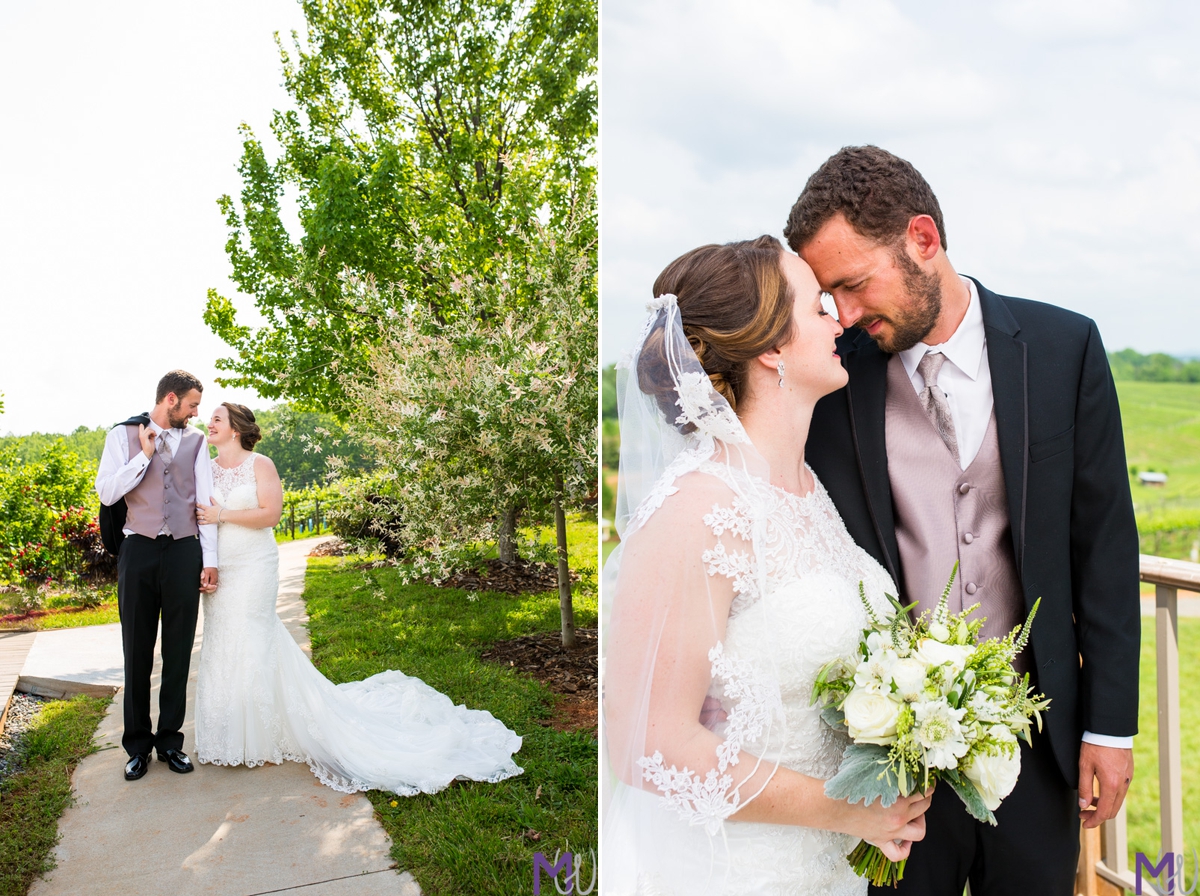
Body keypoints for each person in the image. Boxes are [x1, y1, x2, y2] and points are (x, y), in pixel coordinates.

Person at [785, 145, 1140, 895]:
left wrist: (1109, 727)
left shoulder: (1062, 348)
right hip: (884, 759)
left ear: (923, 239)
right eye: (828, 297)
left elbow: (1103, 547)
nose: (845, 315)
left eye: (852, 285)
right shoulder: (833, 376)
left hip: (1037, 749)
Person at [602, 236, 932, 895]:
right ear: (772, 349)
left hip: (825, 868)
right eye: (817, 307)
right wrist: (844, 808)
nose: (840, 316)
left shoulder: (806, 489)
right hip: (731, 870)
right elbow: (646, 743)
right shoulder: (698, 510)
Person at [192, 401, 524, 795]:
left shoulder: (260, 464)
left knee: (252, 636)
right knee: (224, 639)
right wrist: (205, 561)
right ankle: (228, 733)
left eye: (216, 418)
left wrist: (222, 515)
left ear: (235, 428)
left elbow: (271, 515)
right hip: (221, 566)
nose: (208, 423)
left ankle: (261, 736)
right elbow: (197, 521)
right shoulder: (206, 471)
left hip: (254, 563)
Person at [95, 369, 218, 781]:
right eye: (192, 405)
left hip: (184, 550)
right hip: (139, 550)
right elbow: (108, 492)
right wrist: (143, 456)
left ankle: (170, 742)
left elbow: (204, 502)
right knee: (137, 651)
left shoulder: (197, 442)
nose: (196, 413)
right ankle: (137, 747)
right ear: (170, 400)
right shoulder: (121, 437)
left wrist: (209, 558)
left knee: (180, 650)